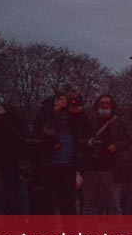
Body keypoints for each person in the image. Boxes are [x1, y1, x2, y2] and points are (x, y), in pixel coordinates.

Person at [31, 87, 90, 215]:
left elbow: (86, 127)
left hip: (68, 164)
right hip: (49, 163)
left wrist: (79, 107)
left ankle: (71, 234)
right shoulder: (48, 108)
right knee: (47, 203)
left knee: (68, 203)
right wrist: (56, 109)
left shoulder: (73, 116)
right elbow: (37, 127)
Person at [80, 94, 130, 214]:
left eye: (107, 103)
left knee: (113, 205)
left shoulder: (120, 123)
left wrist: (116, 146)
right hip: (91, 167)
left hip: (111, 169)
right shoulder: (89, 121)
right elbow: (79, 138)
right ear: (97, 105)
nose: (105, 105)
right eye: (102, 103)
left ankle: (114, 232)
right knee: (89, 205)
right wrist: (88, 142)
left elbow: (128, 141)